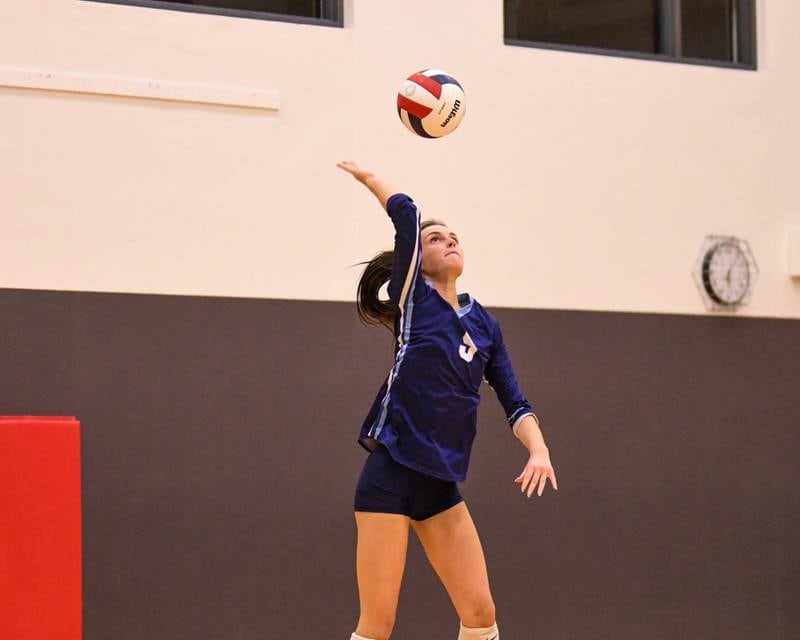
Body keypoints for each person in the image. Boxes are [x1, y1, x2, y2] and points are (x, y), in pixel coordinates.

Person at [336, 160, 558, 640]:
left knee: (480, 615)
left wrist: (538, 450)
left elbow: (515, 401)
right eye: (436, 238)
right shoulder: (413, 298)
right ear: (419, 255)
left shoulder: (485, 325)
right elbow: (407, 213)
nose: (449, 240)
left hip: (439, 485)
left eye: (454, 236)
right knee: (377, 626)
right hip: (390, 475)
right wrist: (371, 179)